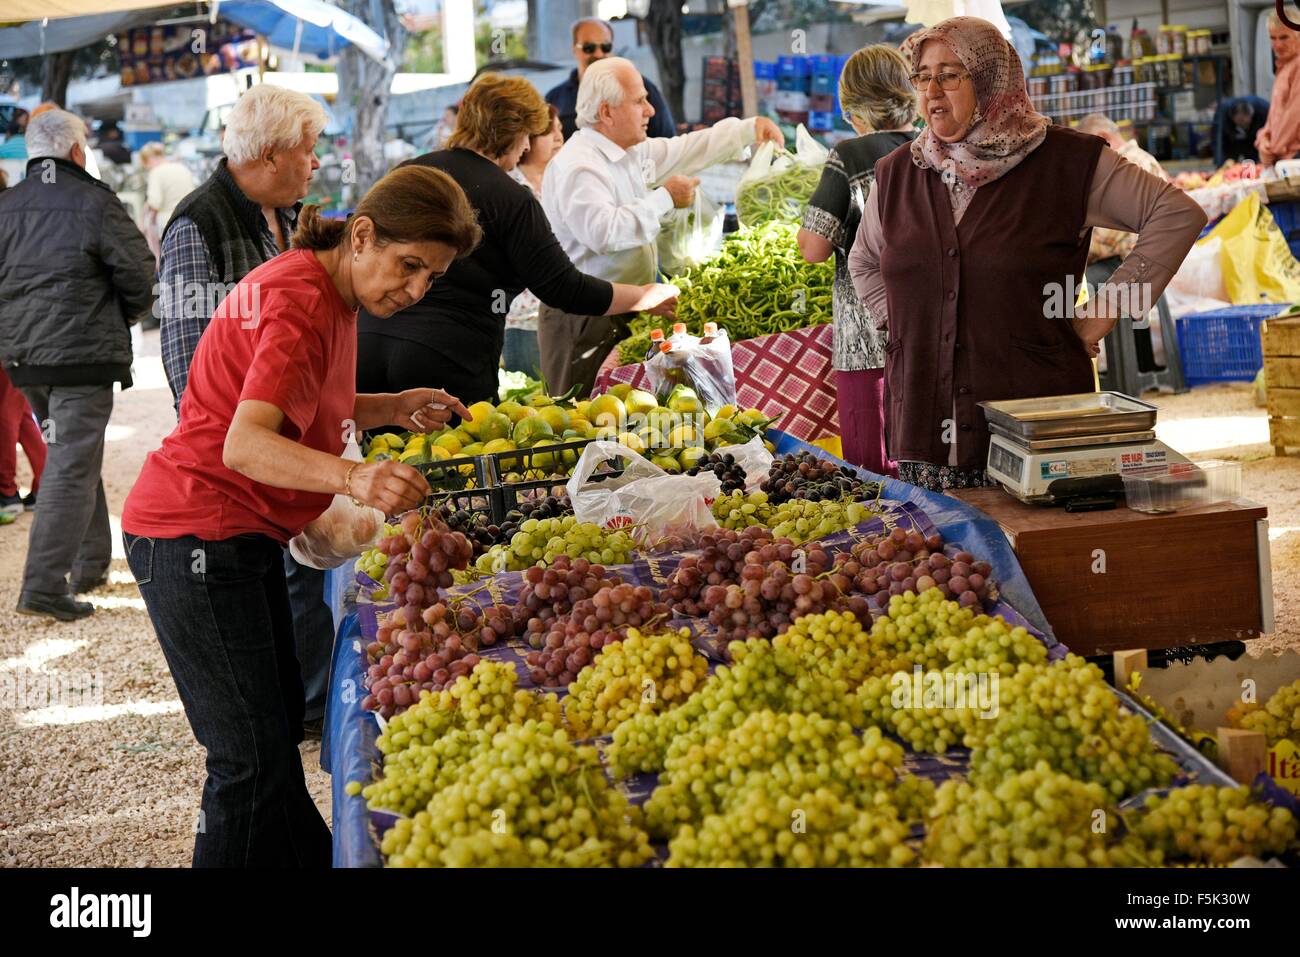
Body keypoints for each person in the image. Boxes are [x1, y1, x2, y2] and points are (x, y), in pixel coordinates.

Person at [121, 165, 482, 867]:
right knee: (248, 762)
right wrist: (357, 474)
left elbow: (307, 402)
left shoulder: (329, 288)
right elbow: (246, 441)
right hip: (193, 535)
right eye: (408, 266)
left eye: (430, 278)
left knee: (274, 735)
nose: (414, 290)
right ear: (363, 234)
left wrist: (389, 404)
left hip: (234, 537)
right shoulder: (300, 300)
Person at [847, 17, 1206, 492]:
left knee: (1043, 561)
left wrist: (1106, 309)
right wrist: (904, 326)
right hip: (926, 432)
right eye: (922, 75)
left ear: (993, 79)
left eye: (951, 74)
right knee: (950, 564)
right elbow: (864, 260)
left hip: (1038, 431)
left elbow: (1176, 214)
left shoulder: (1068, 162)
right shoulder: (898, 173)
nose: (932, 90)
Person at [156, 83, 333, 732]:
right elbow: (186, 370)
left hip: (286, 439)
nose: (316, 163)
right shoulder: (197, 225)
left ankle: (303, 705)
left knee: (303, 577)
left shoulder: (287, 215)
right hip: (239, 462)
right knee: (279, 580)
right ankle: (296, 713)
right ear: (268, 155)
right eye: (308, 151)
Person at [356, 73, 678, 409]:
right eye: (528, 135)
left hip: (366, 349)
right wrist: (642, 296)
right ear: (514, 133)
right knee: (456, 459)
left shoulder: (407, 172)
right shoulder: (511, 198)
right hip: (447, 362)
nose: (527, 146)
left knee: (375, 459)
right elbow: (564, 288)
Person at [541, 57, 783, 396]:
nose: (650, 110)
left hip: (628, 305)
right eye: (639, 100)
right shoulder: (580, 165)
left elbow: (685, 149)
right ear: (607, 112)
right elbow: (603, 233)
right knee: (580, 414)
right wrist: (666, 198)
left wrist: (747, 129)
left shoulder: (629, 153)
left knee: (624, 413)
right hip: (585, 318)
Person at [0, 108, 154, 619]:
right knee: (70, 462)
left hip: (24, 360)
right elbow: (141, 277)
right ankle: (43, 586)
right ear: (75, 151)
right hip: (82, 356)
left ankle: (90, 564)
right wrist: (119, 314)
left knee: (72, 453)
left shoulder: (6, 206)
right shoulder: (95, 201)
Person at [798, 45, 917, 478]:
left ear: (853, 107)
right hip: (933, 336)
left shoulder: (849, 156)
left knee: (876, 479)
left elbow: (813, 248)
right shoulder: (933, 144)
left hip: (866, 340)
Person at [503, 105, 565, 378]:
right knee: (529, 398)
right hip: (522, 319)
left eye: (560, 130)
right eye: (550, 133)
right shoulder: (509, 189)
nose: (559, 138)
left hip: (559, 312)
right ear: (527, 142)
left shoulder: (560, 182)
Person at [546, 17, 676, 141]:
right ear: (574, 49)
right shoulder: (555, 98)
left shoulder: (642, 88)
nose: (598, 54)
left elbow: (666, 141)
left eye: (605, 47)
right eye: (589, 48)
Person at [139, 140, 196, 263]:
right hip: (191, 221)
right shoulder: (182, 168)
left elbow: (155, 202)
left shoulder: (156, 172)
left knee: (170, 264)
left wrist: (147, 224)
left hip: (167, 225)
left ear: (149, 160)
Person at [1259, 12, 1300, 166]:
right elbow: (1275, 115)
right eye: (1272, 38)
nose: (1277, 45)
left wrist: (1273, 148)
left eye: (1284, 37)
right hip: (1286, 158)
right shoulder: (1284, 67)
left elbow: (1294, 114)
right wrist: (1263, 139)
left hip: (1295, 157)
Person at [1218, 97, 1267, 164]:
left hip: (1257, 141)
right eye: (1239, 122)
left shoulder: (1263, 110)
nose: (1243, 125)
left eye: (1244, 121)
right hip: (1237, 144)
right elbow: (1221, 144)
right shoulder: (1225, 118)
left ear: (1251, 115)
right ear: (1232, 118)